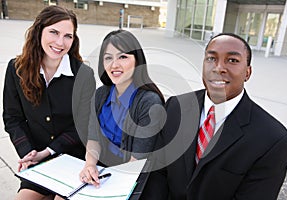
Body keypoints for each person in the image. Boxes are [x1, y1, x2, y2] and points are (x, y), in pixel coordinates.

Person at [141, 33, 287, 199]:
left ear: (247, 73)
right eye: (211, 58)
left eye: (233, 60)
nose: (218, 67)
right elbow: (157, 173)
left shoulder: (273, 140)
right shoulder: (175, 107)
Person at [2, 5, 95, 200]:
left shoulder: (83, 75)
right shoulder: (16, 69)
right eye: (54, 32)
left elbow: (83, 125)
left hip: (73, 158)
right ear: (39, 31)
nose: (60, 42)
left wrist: (49, 152)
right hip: (37, 161)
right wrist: (29, 153)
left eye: (68, 36)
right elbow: (12, 118)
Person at [79, 29, 165, 188]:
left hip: (132, 178)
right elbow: (93, 139)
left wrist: (106, 182)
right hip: (104, 172)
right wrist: (90, 165)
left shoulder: (149, 102)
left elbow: (136, 161)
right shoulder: (100, 95)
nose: (114, 64)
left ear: (137, 61)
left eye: (123, 57)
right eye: (108, 58)